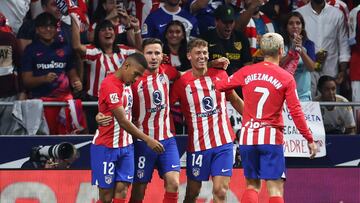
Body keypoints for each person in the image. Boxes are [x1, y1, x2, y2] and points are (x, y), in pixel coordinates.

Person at [215, 33, 317, 203]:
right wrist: (309, 138)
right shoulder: (286, 78)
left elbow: (220, 86)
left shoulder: (246, 71)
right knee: (275, 187)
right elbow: (295, 111)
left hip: (248, 137)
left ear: (261, 51)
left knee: (252, 186)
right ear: (281, 50)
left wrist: (216, 68)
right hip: (271, 137)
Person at [170, 38, 244, 203]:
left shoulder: (220, 74)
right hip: (198, 146)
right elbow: (165, 106)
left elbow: (235, 100)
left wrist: (255, 120)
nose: (202, 56)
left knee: (220, 191)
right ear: (189, 55)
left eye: (205, 53)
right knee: (192, 193)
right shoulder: (182, 83)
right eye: (198, 53)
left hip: (223, 143)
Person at [91, 52, 165, 203]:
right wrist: (148, 140)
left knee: (122, 191)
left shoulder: (126, 83)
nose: (137, 79)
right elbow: (123, 121)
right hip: (106, 147)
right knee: (105, 196)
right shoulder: (109, 84)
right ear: (126, 66)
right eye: (136, 74)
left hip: (126, 147)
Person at [71, 14, 136, 133]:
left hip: (119, 102)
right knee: (96, 136)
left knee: (119, 135)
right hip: (95, 104)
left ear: (115, 33)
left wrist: (133, 29)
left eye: (110, 29)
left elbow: (141, 53)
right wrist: (74, 17)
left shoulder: (123, 51)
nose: (107, 31)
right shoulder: (94, 51)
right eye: (103, 29)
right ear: (97, 35)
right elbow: (76, 46)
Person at [20, 12, 83, 134]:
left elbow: (72, 72)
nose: (48, 29)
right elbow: (26, 81)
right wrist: (43, 78)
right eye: (44, 26)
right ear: (37, 30)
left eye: (51, 26)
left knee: (70, 140)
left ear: (56, 29)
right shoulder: (30, 50)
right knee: (45, 141)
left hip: (65, 103)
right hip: (41, 104)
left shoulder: (65, 48)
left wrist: (77, 81)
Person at [297, 0, 351, 99]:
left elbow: (343, 43)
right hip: (307, 69)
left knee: (330, 106)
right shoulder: (300, 13)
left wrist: (343, 70)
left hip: (330, 69)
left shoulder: (337, 14)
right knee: (309, 104)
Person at [280, 11, 316, 101]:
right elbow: (277, 66)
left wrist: (301, 50)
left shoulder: (308, 44)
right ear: (286, 27)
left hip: (303, 96)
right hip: (283, 95)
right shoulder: (280, 44)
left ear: (302, 26)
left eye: (298, 23)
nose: (295, 26)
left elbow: (311, 68)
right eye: (291, 23)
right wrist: (291, 52)